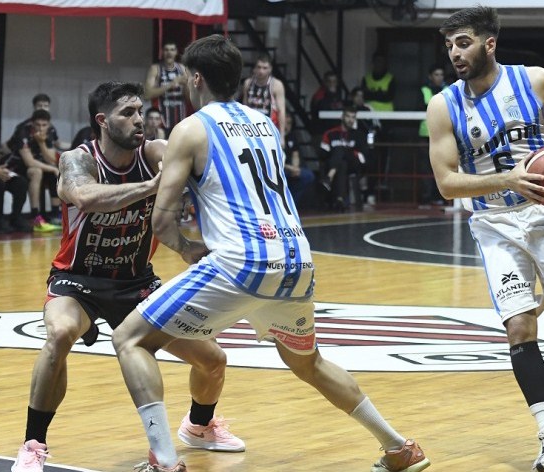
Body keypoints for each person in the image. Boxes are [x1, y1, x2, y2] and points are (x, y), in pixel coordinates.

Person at [111, 34, 429, 472]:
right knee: (309, 363)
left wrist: (187, 249)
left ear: (196, 78)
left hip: (242, 261)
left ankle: (164, 462)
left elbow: (163, 223)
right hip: (296, 260)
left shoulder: (191, 128)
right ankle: (398, 447)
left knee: (129, 339)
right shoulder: (265, 124)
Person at [11, 81, 244, 472]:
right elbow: (85, 197)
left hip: (136, 283)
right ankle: (33, 445)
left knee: (213, 360)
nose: (139, 120)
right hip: (79, 280)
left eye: (140, 111)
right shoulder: (77, 160)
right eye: (128, 113)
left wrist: (189, 239)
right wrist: (153, 186)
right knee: (60, 334)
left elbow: (197, 165)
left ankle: (199, 426)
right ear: (103, 121)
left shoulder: (155, 153)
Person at [428, 6, 544, 471]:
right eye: (449, 45)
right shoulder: (443, 105)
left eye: (463, 42)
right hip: (495, 224)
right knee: (519, 326)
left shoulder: (535, 80)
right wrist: (507, 179)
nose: (454, 52)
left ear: (489, 43)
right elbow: (447, 182)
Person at [4, 109, 62, 232]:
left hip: (38, 164)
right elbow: (29, 162)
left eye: (44, 125)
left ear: (49, 125)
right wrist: (53, 168)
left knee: (54, 173)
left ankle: (55, 215)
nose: (40, 128)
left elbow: (52, 159)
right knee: (37, 171)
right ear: (32, 123)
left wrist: (41, 143)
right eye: (37, 125)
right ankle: (35, 217)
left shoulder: (50, 131)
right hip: (17, 166)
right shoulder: (22, 130)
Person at [319, 105, 369, 211]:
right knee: (342, 164)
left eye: (353, 117)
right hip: (337, 163)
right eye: (348, 116)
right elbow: (323, 153)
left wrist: (347, 151)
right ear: (342, 117)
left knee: (340, 149)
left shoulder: (359, 135)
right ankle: (340, 200)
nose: (350, 120)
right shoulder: (331, 133)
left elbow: (363, 156)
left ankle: (329, 178)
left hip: (354, 164)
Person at [144, 42, 191, 136]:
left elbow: (190, 99)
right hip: (161, 120)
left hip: (180, 119)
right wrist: (171, 84)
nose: (169, 52)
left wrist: (186, 85)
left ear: (176, 52)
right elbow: (147, 95)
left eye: (172, 50)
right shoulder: (156, 69)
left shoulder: (183, 69)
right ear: (162, 52)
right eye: (166, 50)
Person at [418, 64, 448, 206]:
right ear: (430, 76)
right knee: (425, 168)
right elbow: (419, 108)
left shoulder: (448, 89)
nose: (439, 77)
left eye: (441, 75)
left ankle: (441, 197)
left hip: (443, 134)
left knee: (442, 167)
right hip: (425, 134)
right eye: (436, 74)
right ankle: (426, 197)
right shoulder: (423, 90)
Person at [3, 93, 70, 155]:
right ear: (34, 107)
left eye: (46, 106)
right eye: (39, 106)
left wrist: (75, 145)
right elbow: (7, 146)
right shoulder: (23, 127)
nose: (43, 108)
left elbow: (57, 143)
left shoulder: (51, 127)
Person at [242, 52, 287, 141]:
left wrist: (282, 136)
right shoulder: (248, 83)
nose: (261, 71)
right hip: (251, 129)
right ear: (254, 69)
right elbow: (244, 107)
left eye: (265, 68)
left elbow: (281, 111)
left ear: (270, 69)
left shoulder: (276, 85)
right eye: (259, 67)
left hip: (269, 130)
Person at [284, 113, 315, 207]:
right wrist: (290, 168)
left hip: (290, 168)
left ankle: (291, 204)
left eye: (289, 123)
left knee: (308, 175)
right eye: (285, 123)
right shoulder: (273, 136)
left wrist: (295, 168)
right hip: (278, 169)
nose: (287, 126)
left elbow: (295, 154)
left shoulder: (292, 136)